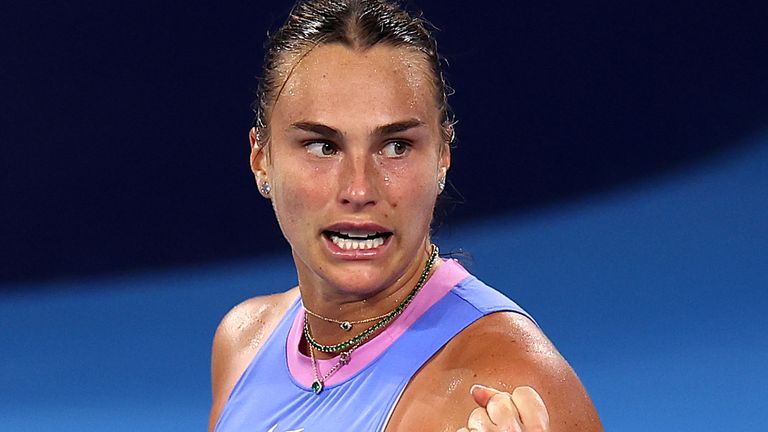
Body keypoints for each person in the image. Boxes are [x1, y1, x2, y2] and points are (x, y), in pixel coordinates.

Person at [209, 1, 602, 430]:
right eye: (323, 146)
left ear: (442, 158)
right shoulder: (244, 341)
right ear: (261, 159)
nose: (359, 190)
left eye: (395, 146)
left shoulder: (505, 383)